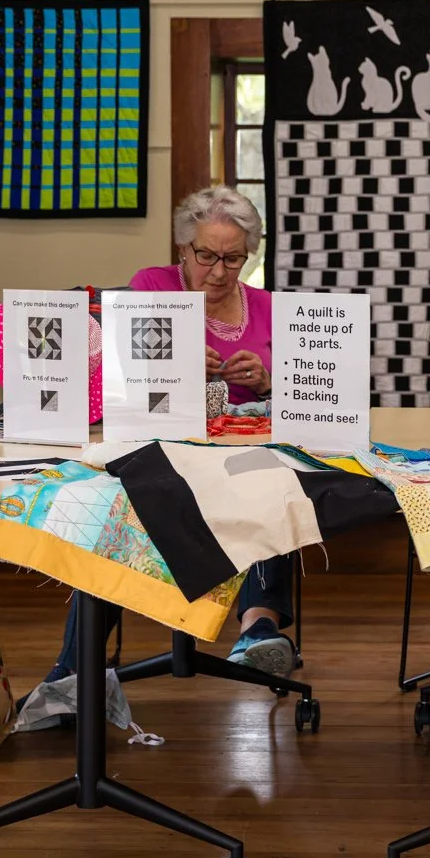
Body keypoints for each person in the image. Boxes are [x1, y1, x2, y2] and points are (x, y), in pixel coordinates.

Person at [127, 185, 297, 676]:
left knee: (275, 474)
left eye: (234, 259)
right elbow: (120, 373)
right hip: (167, 446)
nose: (219, 272)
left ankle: (258, 627)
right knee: (111, 499)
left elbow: (308, 392)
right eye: (206, 256)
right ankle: (74, 669)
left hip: (245, 448)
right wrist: (175, 368)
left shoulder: (266, 305)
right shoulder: (151, 287)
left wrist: (269, 381)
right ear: (183, 247)